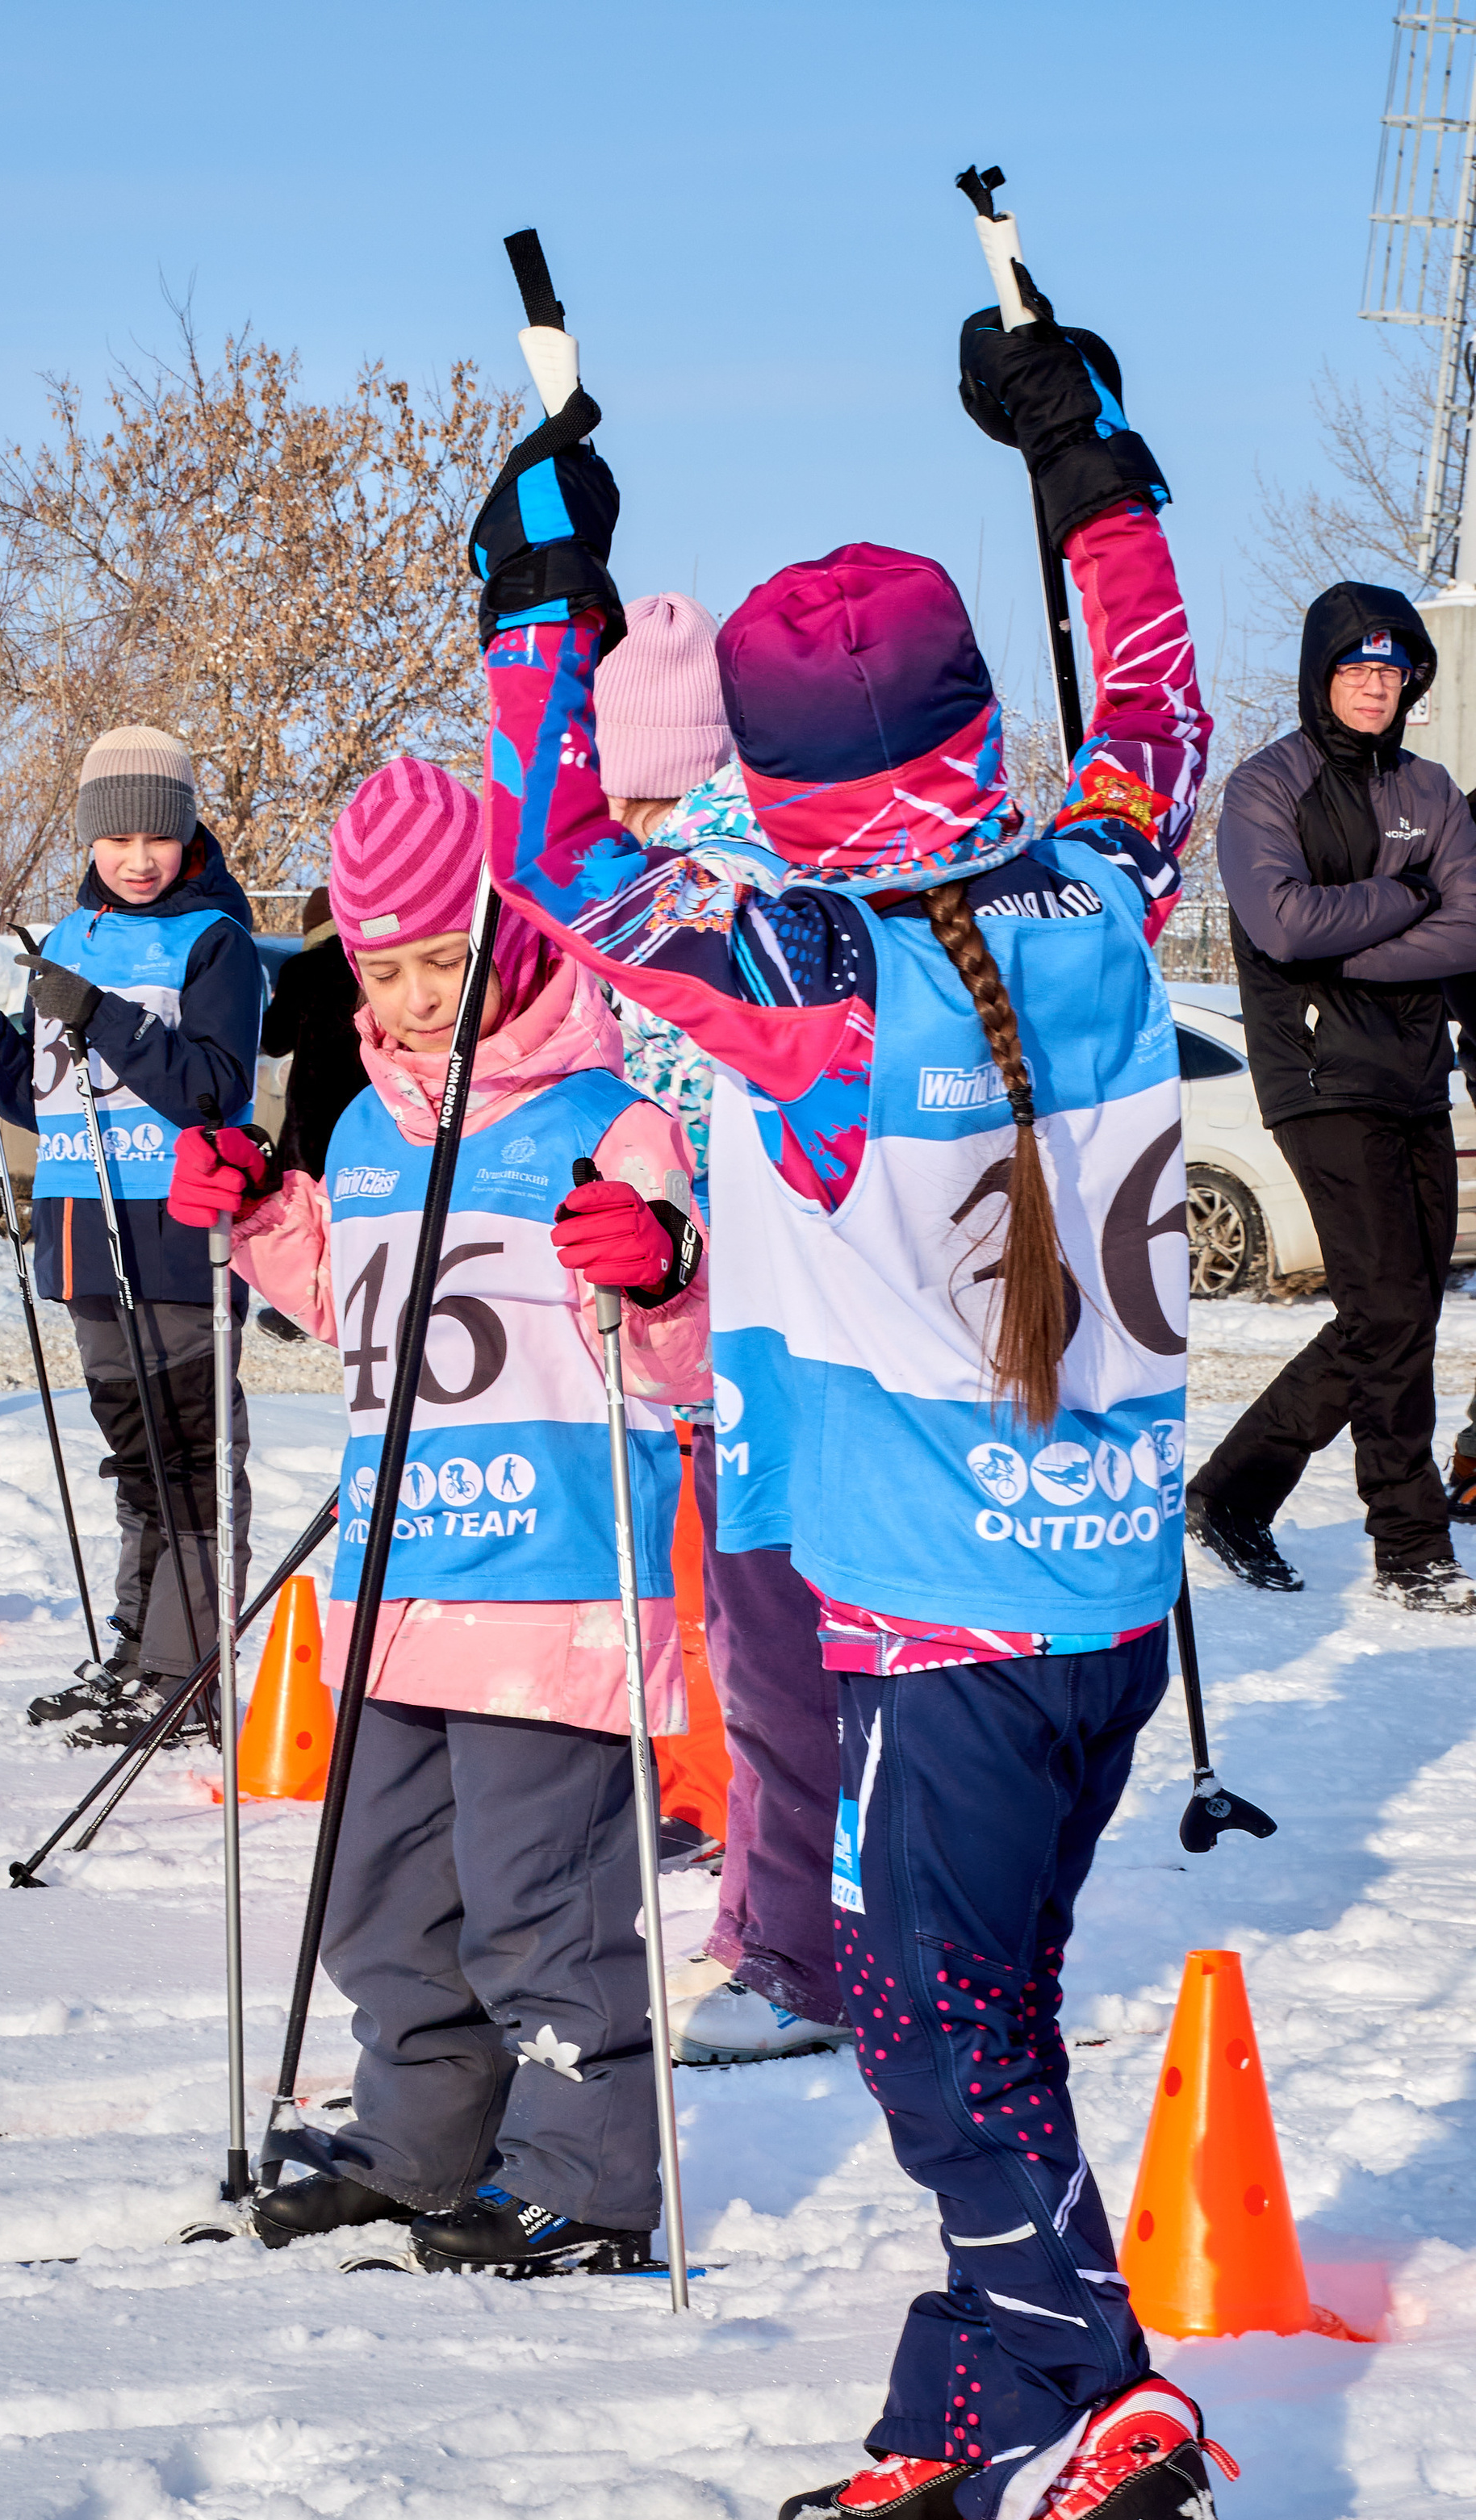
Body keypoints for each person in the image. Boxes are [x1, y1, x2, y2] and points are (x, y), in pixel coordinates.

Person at [466, 280, 1234, 2520]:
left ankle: (1087, 2403)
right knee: (955, 1983)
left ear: (781, 786)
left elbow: (558, 866)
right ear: (973, 734)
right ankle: (968, 2392)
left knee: (925, 2011)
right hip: (1092, 1593)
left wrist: (536, 602)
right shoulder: (1100, 870)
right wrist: (1088, 461)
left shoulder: (808, 979)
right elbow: (1158, 709)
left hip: (951, 1604)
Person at [166, 755, 710, 2274]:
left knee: (545, 1911)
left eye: (444, 962)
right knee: (380, 1899)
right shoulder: (366, 1136)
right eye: (385, 968)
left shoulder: (616, 1119)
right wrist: (267, 1216)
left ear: (517, 936)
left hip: (550, 1589)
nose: (415, 999)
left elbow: (688, 1359)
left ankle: (586, 2177)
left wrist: (656, 1267)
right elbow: (361, 1318)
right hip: (400, 1578)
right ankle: (421, 2139)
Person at [596, 592, 851, 2068]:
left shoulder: (699, 892)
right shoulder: (759, 868)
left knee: (767, 1646)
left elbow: (690, 1121)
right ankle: (776, 1905)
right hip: (745, 1317)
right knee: (756, 1635)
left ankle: (792, 1949)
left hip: (737, 1325)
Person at [0, 726, 262, 1742]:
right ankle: (135, 1647)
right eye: (114, 836)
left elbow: (215, 1088)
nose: (135, 856)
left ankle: (187, 1670)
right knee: (134, 1457)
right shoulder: (68, 940)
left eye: (155, 836)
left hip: (172, 1230)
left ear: (184, 834)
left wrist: (108, 1018)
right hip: (81, 1234)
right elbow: (45, 1100)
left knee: (190, 1455)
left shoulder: (214, 942)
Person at [1184, 593, 1476, 1611]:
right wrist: (1405, 901)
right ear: (1319, 677)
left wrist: (1342, 936)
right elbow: (1279, 923)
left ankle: (1231, 1492)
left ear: (1411, 685)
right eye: (1354, 671)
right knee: (1388, 1309)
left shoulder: (1429, 789)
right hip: (1316, 1076)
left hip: (1411, 1076)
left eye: (1390, 674)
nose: (1372, 687)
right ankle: (1410, 1543)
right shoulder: (1267, 787)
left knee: (1394, 1311)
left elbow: (1470, 929)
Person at [250, 884, 367, 1343]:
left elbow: (272, 1040)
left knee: (309, 1216)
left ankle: (301, 1308)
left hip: (316, 1114)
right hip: (375, 1109)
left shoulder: (304, 970)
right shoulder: (375, 964)